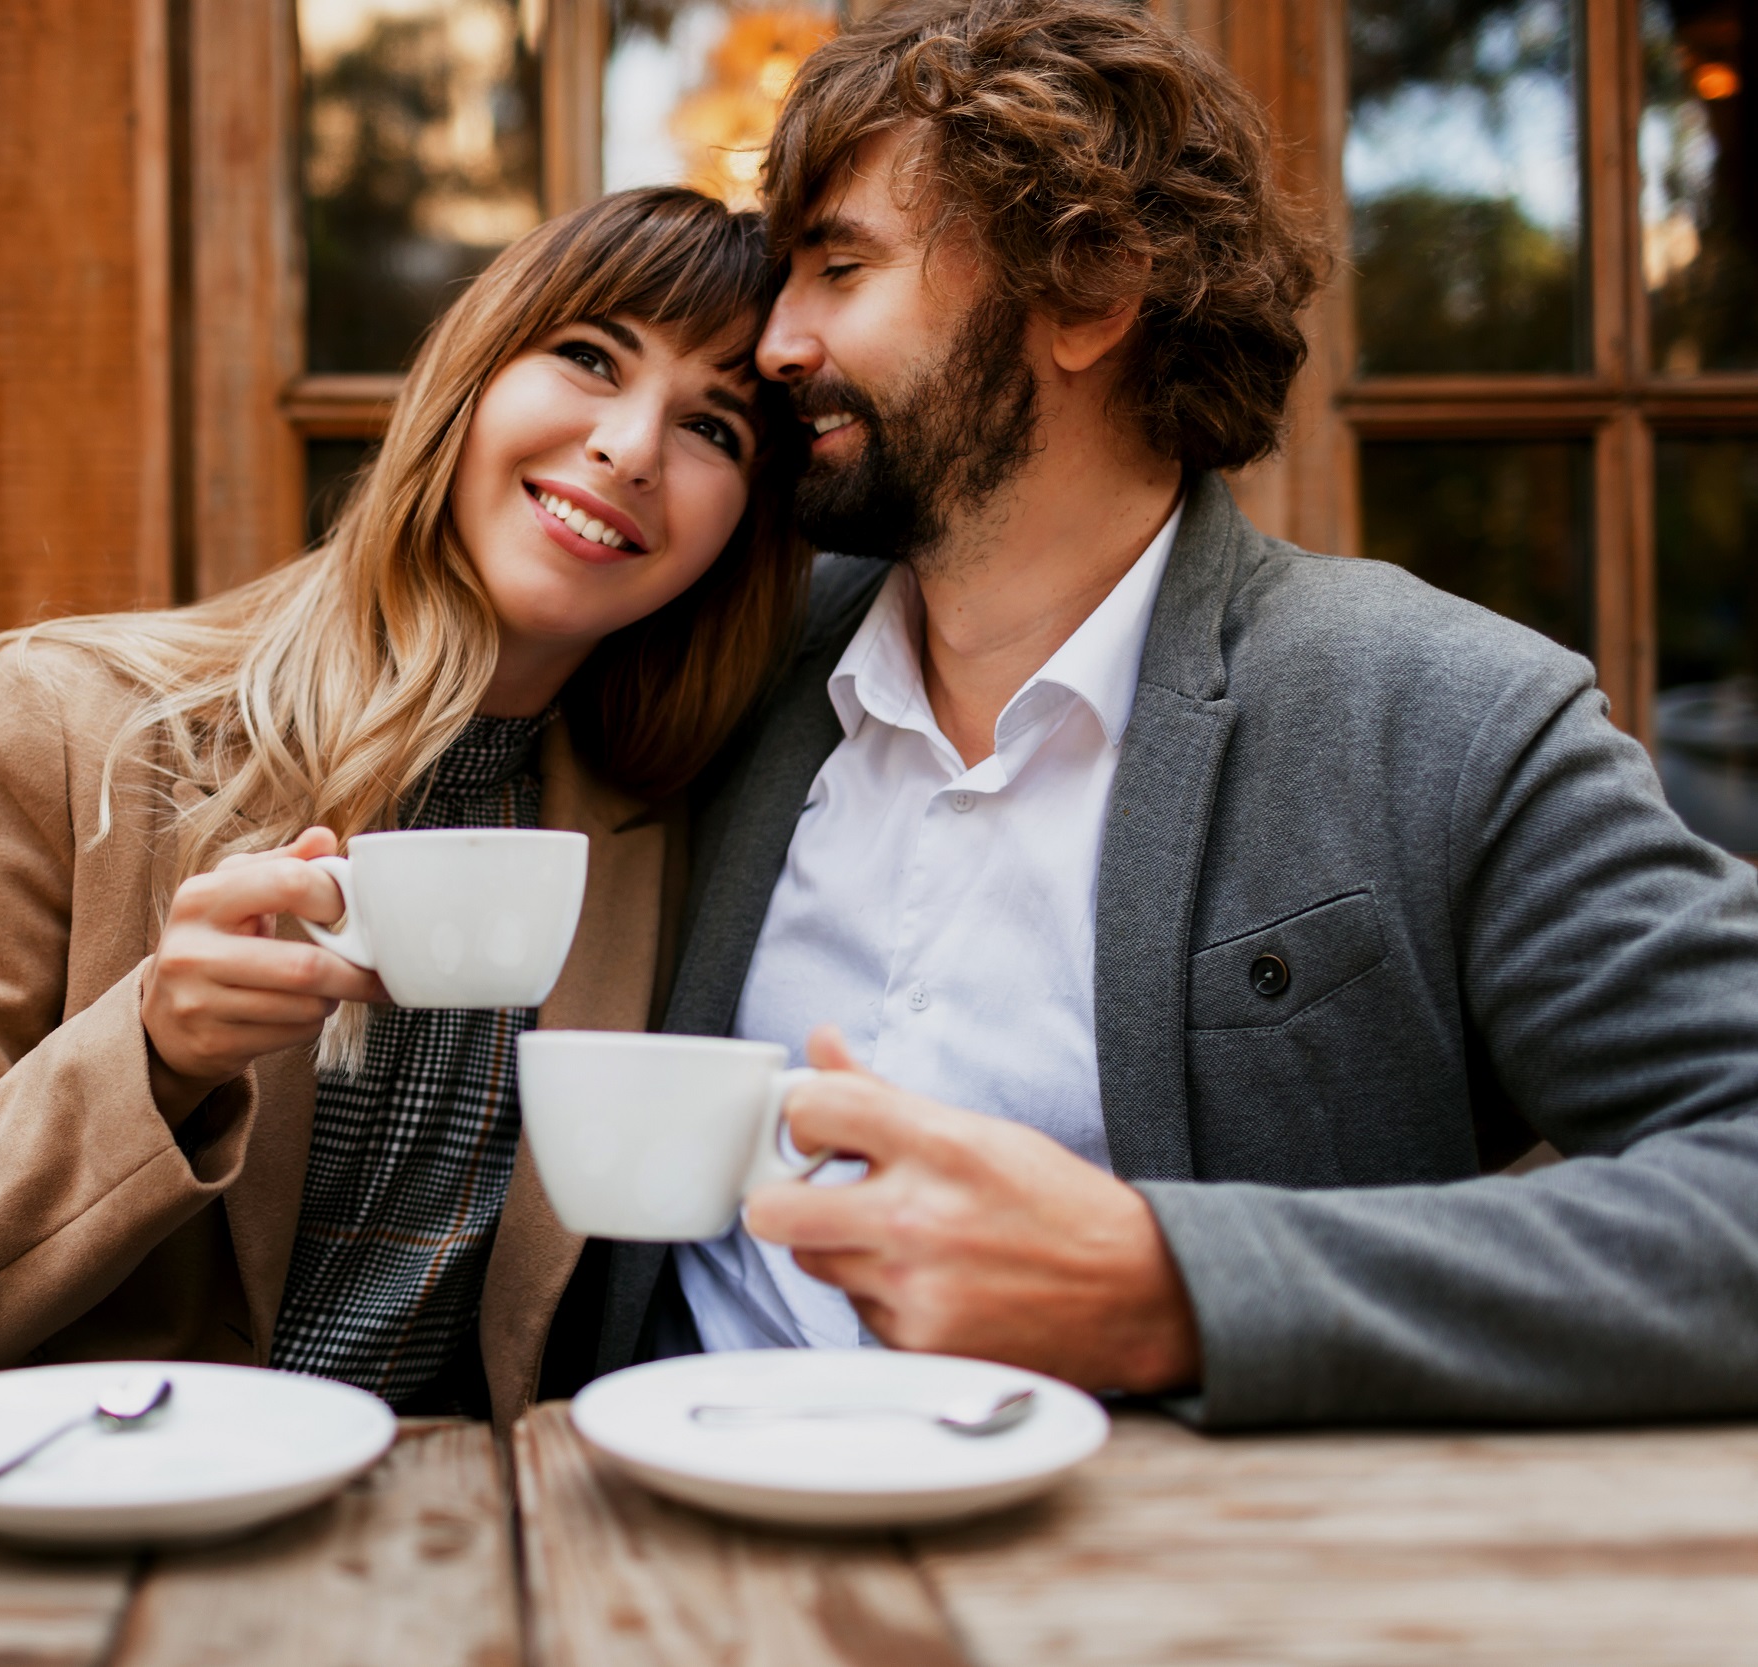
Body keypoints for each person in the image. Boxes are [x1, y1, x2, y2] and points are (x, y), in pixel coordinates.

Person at [597, 0, 1758, 1425]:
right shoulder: (713, 654)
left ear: (1088, 292)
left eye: (841, 266)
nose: (775, 342)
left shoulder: (1444, 714)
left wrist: (1174, 1283)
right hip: (648, 1558)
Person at [0, 187, 806, 1423]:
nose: (631, 447)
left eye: (714, 425)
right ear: (470, 377)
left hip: (399, 1540)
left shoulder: (677, 825)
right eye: (589, 357)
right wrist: (154, 1053)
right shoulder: (68, 725)